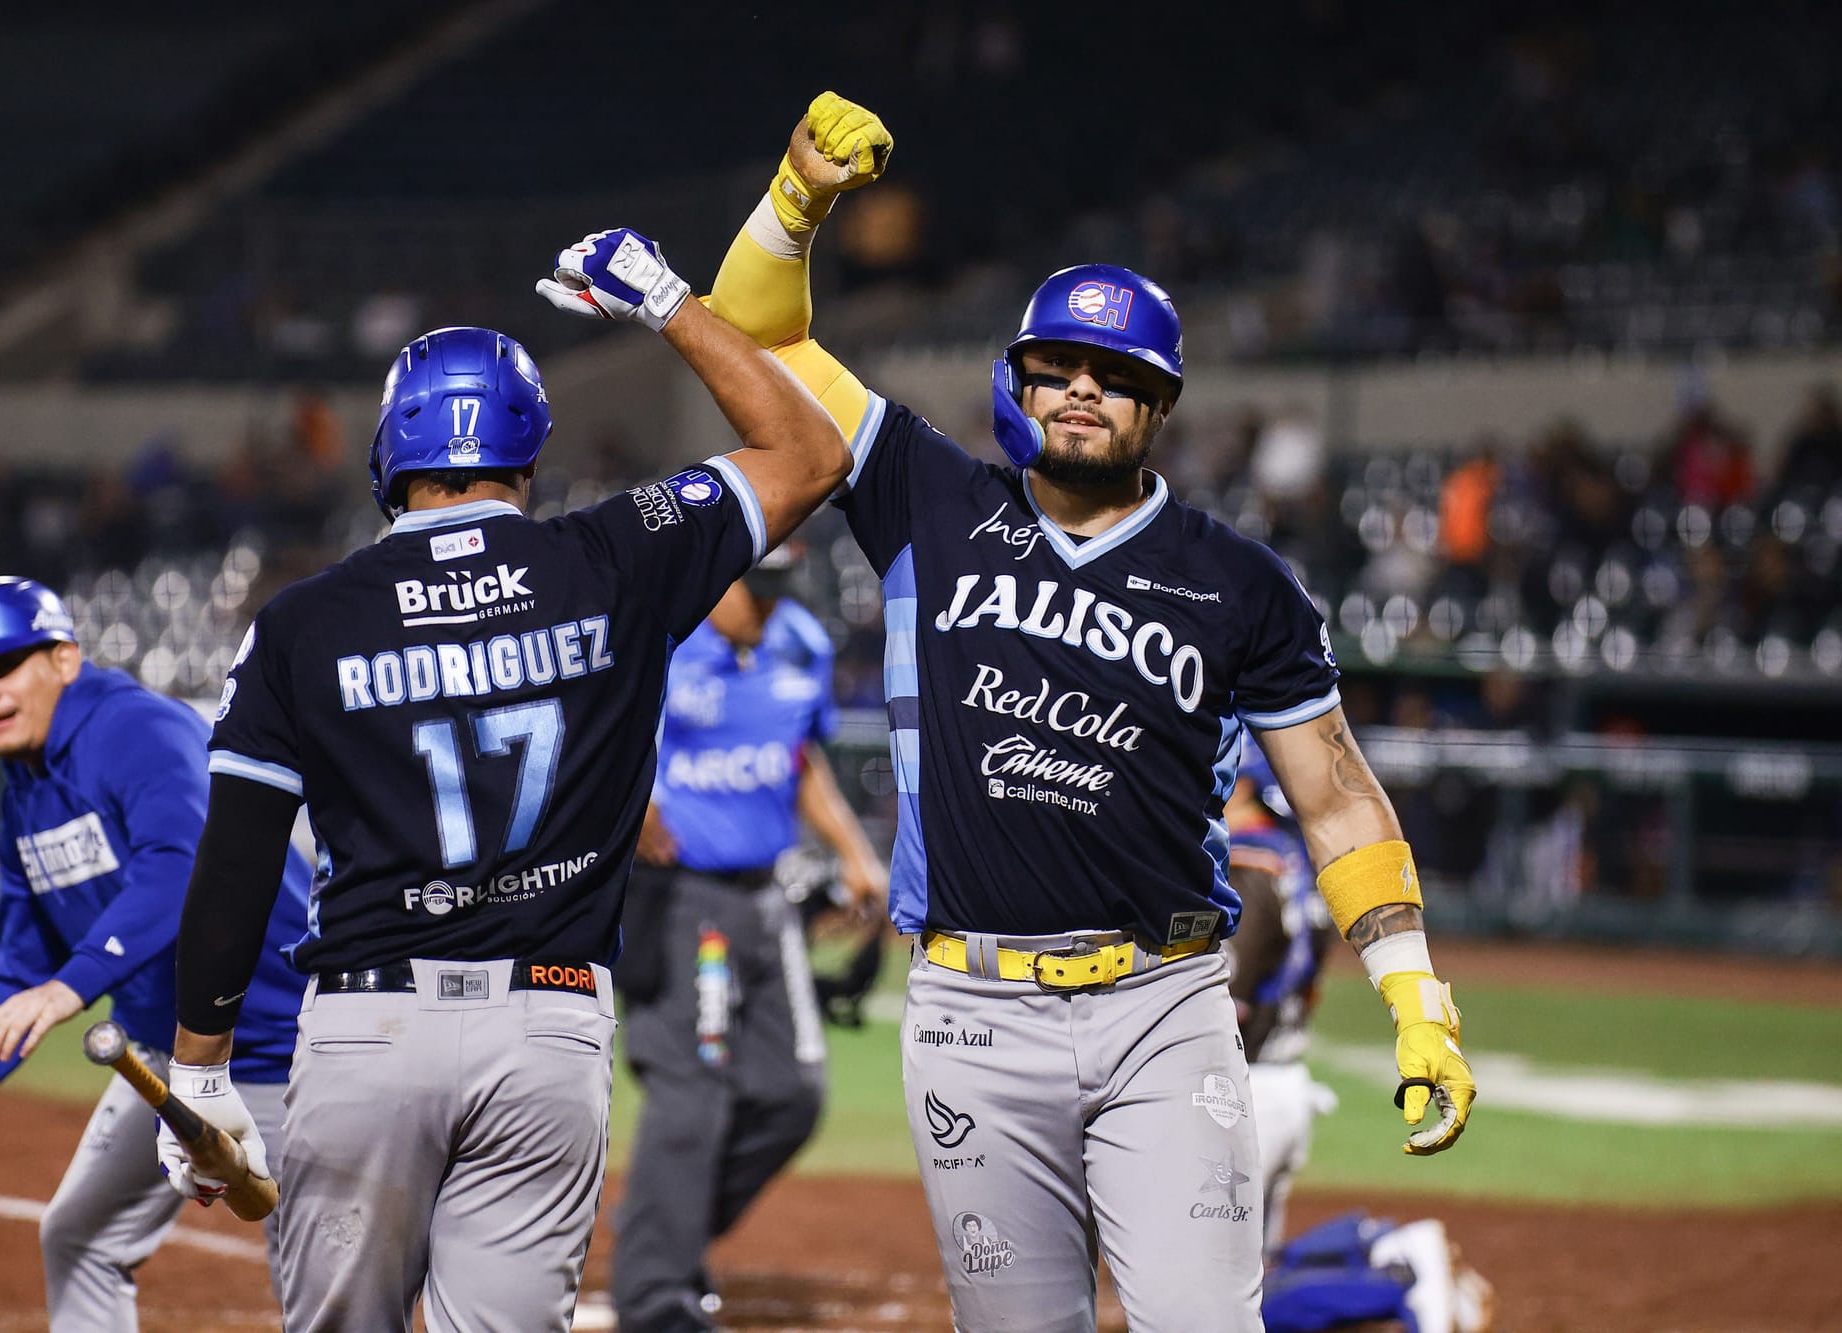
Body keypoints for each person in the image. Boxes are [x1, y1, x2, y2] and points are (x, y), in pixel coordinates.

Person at [705, 92, 1478, 1331]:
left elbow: (1332, 795)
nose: (1077, 391)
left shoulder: (1240, 584)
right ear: (1014, 382)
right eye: (1052, 368)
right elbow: (750, 331)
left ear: (1157, 406)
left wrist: (1414, 995)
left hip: (1163, 1008)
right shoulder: (923, 492)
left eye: (1113, 377)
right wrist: (797, 200)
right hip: (967, 1010)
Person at [160, 224, 855, 1332]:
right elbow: (812, 451)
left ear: (390, 447)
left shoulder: (300, 623)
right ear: (528, 445)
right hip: (550, 1028)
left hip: (367, 1029)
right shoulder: (618, 554)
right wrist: (664, 298)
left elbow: (237, 858)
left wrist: (198, 1069)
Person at [0, 575, 311, 1331]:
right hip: (162, 1060)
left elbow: (182, 864)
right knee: (80, 1237)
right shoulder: (25, 792)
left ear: (65, 659)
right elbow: (18, 964)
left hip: (284, 1052)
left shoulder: (133, 730)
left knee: (325, 1285)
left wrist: (69, 988)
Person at [612, 541, 888, 1332]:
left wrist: (854, 851)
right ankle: (656, 1300)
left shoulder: (800, 638)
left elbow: (801, 759)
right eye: (750, 590)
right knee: (692, 1098)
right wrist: (630, 810)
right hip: (683, 901)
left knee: (793, 1094)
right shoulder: (659, 645)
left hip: (768, 897)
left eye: (775, 589)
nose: (764, 605)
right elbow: (593, 743)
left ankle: (665, 1237)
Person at [1223, 732, 1335, 1259]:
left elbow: (1227, 999)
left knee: (1197, 1273)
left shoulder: (1247, 866)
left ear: (1240, 783)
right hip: (1288, 1079)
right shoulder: (1297, 859)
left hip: (1243, 1095)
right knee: (1251, 1285)